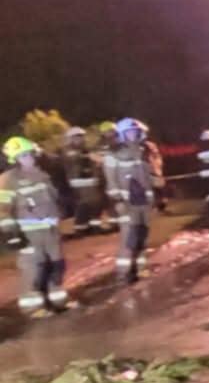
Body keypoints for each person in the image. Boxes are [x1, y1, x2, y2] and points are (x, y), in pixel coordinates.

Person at [1, 136, 71, 315]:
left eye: (30, 154)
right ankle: (33, 307)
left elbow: (53, 198)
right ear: (14, 159)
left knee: (56, 264)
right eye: (23, 155)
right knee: (34, 268)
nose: (29, 158)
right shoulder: (8, 180)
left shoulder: (42, 174)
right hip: (29, 233)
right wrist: (11, 233)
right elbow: (3, 209)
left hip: (50, 229)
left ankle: (57, 301)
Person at [104, 117, 158, 283]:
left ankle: (140, 269)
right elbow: (111, 181)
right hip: (127, 204)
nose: (133, 135)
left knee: (142, 237)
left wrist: (156, 183)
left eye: (136, 132)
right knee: (129, 239)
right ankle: (124, 273)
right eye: (129, 132)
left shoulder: (143, 152)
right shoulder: (113, 155)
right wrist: (118, 201)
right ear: (122, 134)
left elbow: (147, 177)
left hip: (144, 203)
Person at [62, 125, 110, 234]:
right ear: (70, 138)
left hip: (90, 181)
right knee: (84, 204)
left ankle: (94, 226)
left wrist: (97, 166)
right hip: (78, 182)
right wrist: (89, 156)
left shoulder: (86, 149)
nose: (79, 139)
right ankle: (81, 228)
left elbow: (95, 161)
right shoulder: (68, 150)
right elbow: (73, 158)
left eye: (81, 136)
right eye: (76, 137)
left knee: (96, 203)